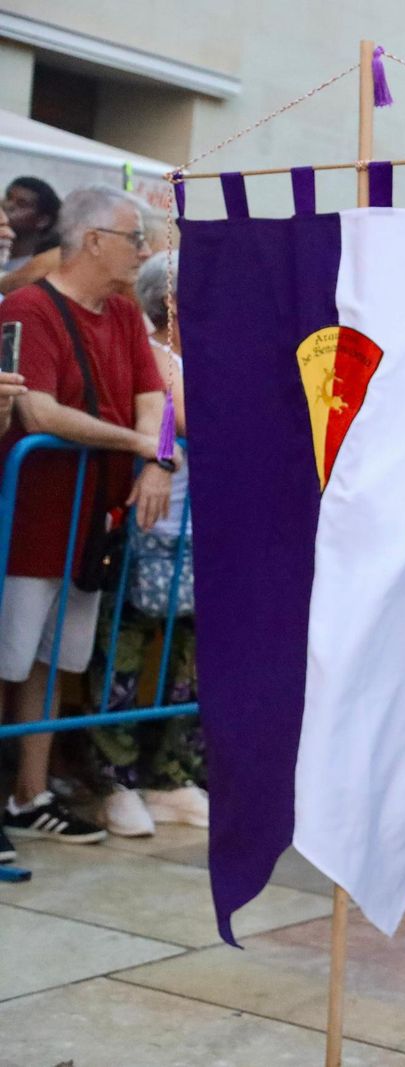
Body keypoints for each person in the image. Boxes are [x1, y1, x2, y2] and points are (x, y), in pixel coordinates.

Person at [0, 185, 171, 849]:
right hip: (31, 518)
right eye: (136, 238)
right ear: (95, 239)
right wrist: (136, 444)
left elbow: (150, 395)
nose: (145, 251)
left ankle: (30, 793)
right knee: (10, 655)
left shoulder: (124, 316)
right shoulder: (27, 309)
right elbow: (36, 412)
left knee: (52, 658)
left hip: (89, 522)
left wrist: (158, 458)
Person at [86, 251, 208, 837]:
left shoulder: (207, 357)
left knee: (189, 660)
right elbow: (193, 415)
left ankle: (172, 774)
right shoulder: (154, 355)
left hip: (200, 535)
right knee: (123, 656)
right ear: (171, 302)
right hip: (148, 528)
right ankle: (115, 778)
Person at [0, 177, 61, 286]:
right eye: (8, 198)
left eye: (21, 204)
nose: (7, 206)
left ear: (42, 221)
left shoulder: (40, 272)